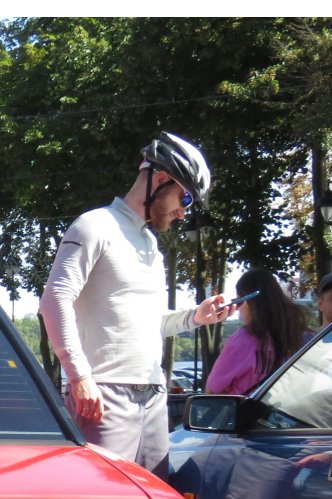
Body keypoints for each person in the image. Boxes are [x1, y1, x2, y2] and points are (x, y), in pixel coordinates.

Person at [39, 132, 234, 476]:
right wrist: (79, 375)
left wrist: (196, 317)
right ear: (160, 180)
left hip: (154, 394)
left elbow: (151, 323)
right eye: (184, 199)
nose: (182, 212)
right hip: (104, 392)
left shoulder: (149, 244)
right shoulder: (94, 226)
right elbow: (55, 299)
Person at [206, 269, 313, 396]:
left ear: (249, 302)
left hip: (249, 414)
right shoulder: (306, 339)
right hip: (292, 413)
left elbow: (212, 390)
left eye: (239, 301)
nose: (238, 309)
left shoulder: (242, 341)